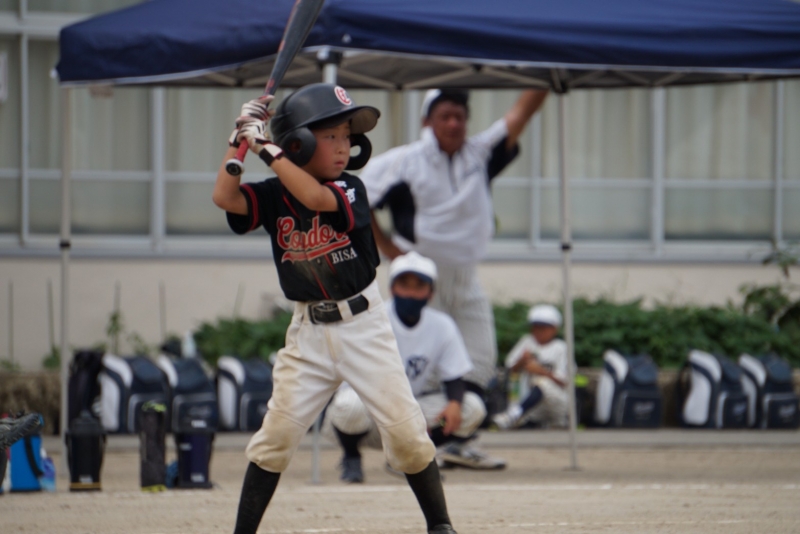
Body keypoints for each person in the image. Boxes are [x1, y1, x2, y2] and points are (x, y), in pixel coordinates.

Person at [212, 83, 457, 534]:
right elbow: (225, 198)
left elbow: (315, 199)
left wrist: (263, 146)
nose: (344, 146)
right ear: (297, 143)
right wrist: (239, 139)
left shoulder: (350, 187)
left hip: (363, 325)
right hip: (308, 332)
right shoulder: (273, 194)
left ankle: (440, 526)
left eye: (346, 135)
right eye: (330, 136)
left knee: (406, 435)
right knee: (275, 437)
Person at [360, 88, 548, 467]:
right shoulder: (405, 161)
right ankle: (409, 447)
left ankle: (457, 443)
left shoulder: (479, 153)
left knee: (479, 362)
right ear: (427, 120)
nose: (453, 123)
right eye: (444, 115)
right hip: (419, 278)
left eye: (460, 116)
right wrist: (389, 249)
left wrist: (547, 69)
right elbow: (356, 198)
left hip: (467, 276)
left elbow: (519, 116)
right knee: (424, 367)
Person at [326, 251, 491, 483]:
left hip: (412, 416)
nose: (411, 293)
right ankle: (351, 455)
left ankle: (411, 455)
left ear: (431, 292)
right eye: (404, 284)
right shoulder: (370, 320)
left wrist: (454, 404)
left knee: (471, 408)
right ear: (392, 288)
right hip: (368, 416)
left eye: (419, 286)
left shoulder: (442, 325)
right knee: (350, 406)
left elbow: (454, 377)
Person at [491, 304, 569, 430]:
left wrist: (541, 371)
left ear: (554, 328)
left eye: (543, 327)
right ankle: (518, 416)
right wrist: (521, 361)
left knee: (543, 383)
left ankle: (513, 415)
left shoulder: (561, 347)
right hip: (533, 405)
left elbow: (565, 381)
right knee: (516, 377)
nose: (538, 331)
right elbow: (510, 369)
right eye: (535, 326)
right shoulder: (527, 341)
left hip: (557, 403)